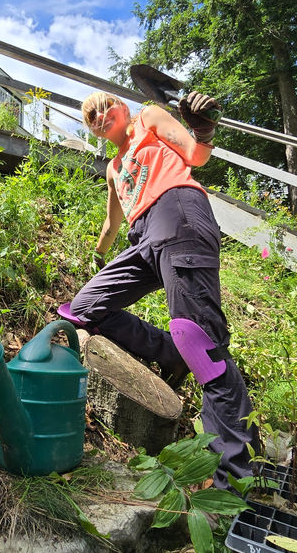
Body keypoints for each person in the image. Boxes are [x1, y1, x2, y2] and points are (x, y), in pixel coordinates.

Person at [64, 89, 259, 490]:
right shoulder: (114, 168)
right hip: (142, 238)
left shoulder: (148, 119)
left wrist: (202, 129)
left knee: (201, 341)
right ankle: (171, 353)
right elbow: (111, 225)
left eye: (104, 106)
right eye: (90, 116)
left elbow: (196, 154)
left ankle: (239, 477)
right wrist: (94, 255)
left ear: (121, 107)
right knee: (83, 307)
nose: (99, 115)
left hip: (178, 212)